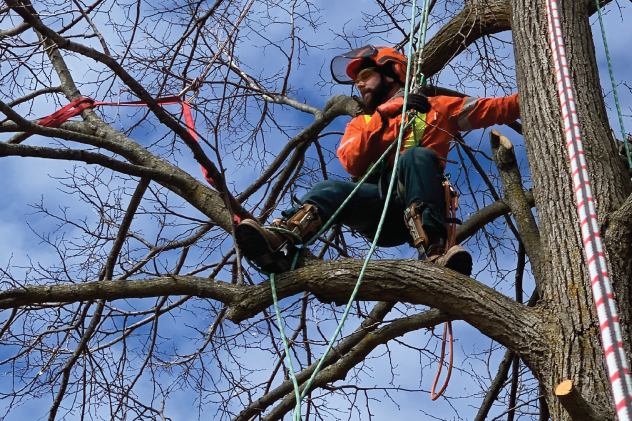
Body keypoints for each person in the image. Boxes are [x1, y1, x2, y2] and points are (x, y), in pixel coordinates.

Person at [235, 45, 520, 277]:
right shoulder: (363, 122)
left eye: (365, 74)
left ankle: (436, 252)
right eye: (357, 79)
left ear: (393, 72)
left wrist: (550, 88)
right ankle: (279, 243)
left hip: (420, 202)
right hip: (379, 207)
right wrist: (388, 114)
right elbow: (351, 161)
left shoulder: (439, 108)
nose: (359, 84)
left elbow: (499, 108)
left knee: (417, 155)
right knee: (329, 189)